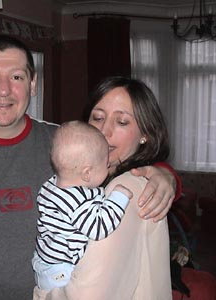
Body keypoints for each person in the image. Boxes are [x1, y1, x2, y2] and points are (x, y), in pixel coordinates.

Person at [0, 35, 179, 300]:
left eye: (16, 76)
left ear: (33, 84)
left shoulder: (65, 142)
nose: (3, 90)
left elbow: (125, 163)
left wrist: (164, 175)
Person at [34, 76, 176, 299]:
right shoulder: (86, 178)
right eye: (98, 118)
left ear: (145, 135)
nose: (104, 131)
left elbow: (88, 294)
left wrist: (42, 294)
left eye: (122, 122)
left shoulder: (123, 191)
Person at [32, 120, 132, 291]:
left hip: (43, 263)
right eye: (106, 165)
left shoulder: (51, 185)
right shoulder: (77, 200)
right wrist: (119, 197)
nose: (109, 168)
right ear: (87, 173)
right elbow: (99, 227)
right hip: (61, 271)